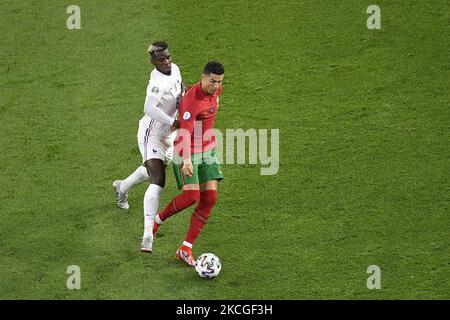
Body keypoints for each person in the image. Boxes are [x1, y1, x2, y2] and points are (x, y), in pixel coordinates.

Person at [112, 41, 184, 253]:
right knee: (158, 178)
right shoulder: (156, 82)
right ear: (153, 62)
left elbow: (182, 90)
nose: (167, 62)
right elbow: (148, 107)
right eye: (161, 60)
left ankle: (122, 187)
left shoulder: (175, 68)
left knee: (154, 168)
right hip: (151, 134)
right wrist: (174, 122)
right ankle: (147, 235)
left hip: (169, 136)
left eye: (168, 57)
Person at [152, 61, 225, 266]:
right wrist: (185, 161)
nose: (216, 86)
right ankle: (156, 220)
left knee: (210, 197)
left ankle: (185, 248)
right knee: (191, 196)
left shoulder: (216, 90)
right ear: (203, 77)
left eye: (219, 82)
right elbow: (184, 132)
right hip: (187, 151)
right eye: (212, 81)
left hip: (207, 149)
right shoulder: (191, 101)